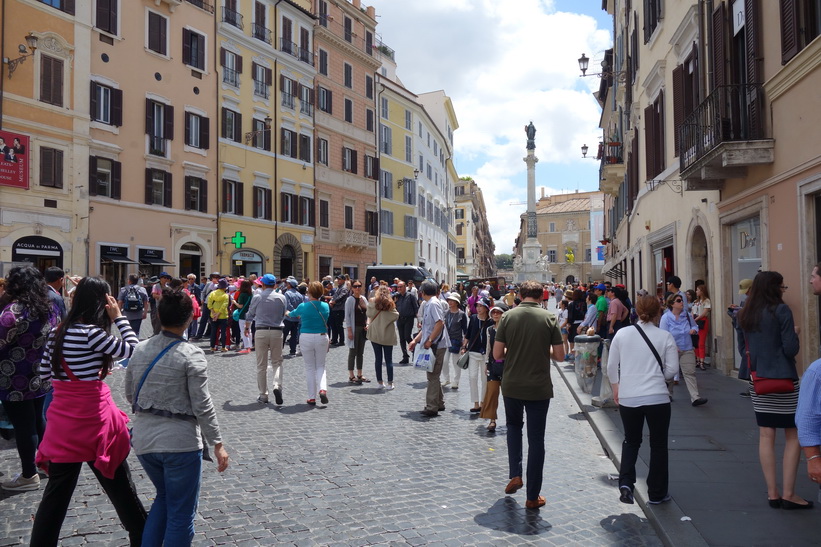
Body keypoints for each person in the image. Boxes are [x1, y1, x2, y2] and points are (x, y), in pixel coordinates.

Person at [32, 277, 147, 546]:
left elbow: (45, 373)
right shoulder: (92, 334)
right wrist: (119, 318)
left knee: (55, 497)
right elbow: (133, 349)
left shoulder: (57, 331)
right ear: (102, 303)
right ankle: (141, 536)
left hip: (63, 424)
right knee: (120, 489)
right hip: (95, 423)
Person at [124, 288, 229, 546]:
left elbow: (129, 393)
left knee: (163, 498)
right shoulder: (191, 354)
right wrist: (217, 443)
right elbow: (202, 404)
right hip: (180, 444)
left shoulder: (140, 349)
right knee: (181, 514)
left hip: (144, 441)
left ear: (158, 314)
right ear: (190, 319)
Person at [736, 271, 811, 509]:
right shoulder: (781, 311)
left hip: (759, 380)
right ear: (774, 288)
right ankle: (789, 493)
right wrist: (795, 333)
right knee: (793, 435)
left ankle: (772, 493)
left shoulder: (744, 314)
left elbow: (742, 350)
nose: (783, 290)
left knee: (766, 435)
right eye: (782, 286)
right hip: (785, 380)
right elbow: (790, 349)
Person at [492, 280, 563, 510]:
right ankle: (533, 496)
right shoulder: (549, 318)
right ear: (542, 296)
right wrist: (544, 349)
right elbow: (561, 356)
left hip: (512, 384)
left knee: (513, 427)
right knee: (536, 439)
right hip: (538, 386)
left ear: (520, 295)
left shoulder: (508, 317)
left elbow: (497, 354)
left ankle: (515, 474)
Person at [607, 295, 680, 506]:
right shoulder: (665, 336)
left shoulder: (622, 334)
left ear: (635, 312)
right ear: (659, 312)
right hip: (657, 397)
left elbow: (612, 367)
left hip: (629, 396)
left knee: (631, 441)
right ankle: (657, 493)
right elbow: (672, 371)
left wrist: (616, 387)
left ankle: (626, 484)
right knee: (658, 444)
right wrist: (659, 377)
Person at [0, 266, 58, 492]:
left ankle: (28, 474)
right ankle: (48, 463)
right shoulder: (49, 309)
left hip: (13, 377)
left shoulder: (13, 312)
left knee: (24, 426)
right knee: (37, 420)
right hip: (40, 374)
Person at [245, 274, 286, 405]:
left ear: (262, 284)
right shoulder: (281, 297)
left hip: (261, 331)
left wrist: (247, 327)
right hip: (277, 331)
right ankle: (276, 386)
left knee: (261, 365)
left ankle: (263, 395)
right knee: (277, 362)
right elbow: (283, 313)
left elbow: (250, 314)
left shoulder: (257, 297)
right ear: (274, 285)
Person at [659, 294, 708, 407]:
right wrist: (672, 346)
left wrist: (693, 330)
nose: (682, 302)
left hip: (687, 348)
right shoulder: (666, 318)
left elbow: (695, 326)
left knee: (690, 372)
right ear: (672, 304)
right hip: (671, 350)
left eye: (681, 300)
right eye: (679, 301)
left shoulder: (686, 315)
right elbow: (663, 335)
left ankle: (695, 397)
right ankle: (668, 394)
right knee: (670, 374)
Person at [408, 280, 447, 417]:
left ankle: (432, 406)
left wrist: (430, 340)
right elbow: (426, 328)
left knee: (432, 375)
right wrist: (415, 340)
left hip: (436, 344)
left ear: (422, 292)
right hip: (434, 344)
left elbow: (439, 323)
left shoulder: (433, 304)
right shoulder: (430, 303)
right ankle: (439, 403)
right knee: (433, 374)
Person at [288, 281, 331, 405]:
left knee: (309, 367)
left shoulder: (303, 306)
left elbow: (292, 314)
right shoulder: (326, 306)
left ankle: (312, 397)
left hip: (306, 336)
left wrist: (287, 313)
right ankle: (322, 389)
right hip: (322, 336)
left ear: (309, 292)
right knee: (321, 366)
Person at [462, 297, 493, 413]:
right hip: (474, 352)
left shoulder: (491, 321)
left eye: (481, 306)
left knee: (485, 379)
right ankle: (475, 403)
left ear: (486, 308)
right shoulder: (473, 318)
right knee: (472, 377)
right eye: (477, 306)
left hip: (486, 354)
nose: (479, 308)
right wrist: (464, 347)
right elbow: (468, 334)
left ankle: (483, 402)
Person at [480, 302, 508, 431]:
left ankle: (511, 419)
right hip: (493, 366)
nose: (496, 314)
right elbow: (488, 348)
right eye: (494, 312)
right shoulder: (489, 329)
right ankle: (492, 420)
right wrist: (486, 363)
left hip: (507, 367)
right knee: (491, 393)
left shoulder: (509, 329)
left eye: (499, 312)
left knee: (509, 395)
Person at [367, 286, 400, 390]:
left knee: (378, 359)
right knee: (388, 360)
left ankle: (380, 382)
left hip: (375, 334)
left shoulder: (373, 302)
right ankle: (390, 383)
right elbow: (396, 315)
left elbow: (368, 314)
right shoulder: (390, 304)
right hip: (388, 335)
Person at [345, 280, 370, 383]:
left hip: (363, 329)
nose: (357, 288)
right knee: (353, 352)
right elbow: (347, 316)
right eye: (355, 286)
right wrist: (349, 331)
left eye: (359, 286)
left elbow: (368, 313)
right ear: (352, 288)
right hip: (354, 328)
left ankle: (360, 374)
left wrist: (368, 323)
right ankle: (351, 375)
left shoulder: (363, 298)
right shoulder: (350, 300)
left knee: (361, 352)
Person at [442, 294, 467, 389]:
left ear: (457, 302)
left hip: (456, 340)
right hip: (445, 339)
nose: (450, 302)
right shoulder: (445, 313)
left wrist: (464, 344)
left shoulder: (461, 314)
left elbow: (465, 330)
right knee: (444, 360)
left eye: (452, 301)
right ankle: (446, 378)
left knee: (456, 362)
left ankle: (456, 381)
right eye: (449, 300)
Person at [117, 273, 149, 338]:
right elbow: (146, 302)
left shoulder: (123, 289)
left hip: (126, 314)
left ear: (129, 281)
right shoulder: (142, 289)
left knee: (126, 332)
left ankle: (127, 344)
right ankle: (135, 345)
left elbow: (120, 302)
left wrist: (119, 313)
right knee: (136, 332)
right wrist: (145, 313)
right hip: (138, 314)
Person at [395, 281, 419, 364]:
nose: (399, 288)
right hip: (399, 319)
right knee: (401, 338)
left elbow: (416, 308)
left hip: (409, 318)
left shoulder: (411, 296)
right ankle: (405, 356)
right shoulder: (397, 297)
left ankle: (415, 351)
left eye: (401, 287)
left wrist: (419, 320)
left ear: (405, 287)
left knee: (407, 336)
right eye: (398, 287)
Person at [206, 279, 230, 352]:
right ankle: (223, 347)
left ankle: (212, 347)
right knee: (223, 332)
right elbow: (224, 306)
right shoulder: (225, 295)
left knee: (213, 331)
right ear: (225, 287)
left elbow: (209, 303)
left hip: (213, 315)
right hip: (222, 315)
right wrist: (218, 314)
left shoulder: (212, 293)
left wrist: (213, 313)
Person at [194, 273, 220, 340]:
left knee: (213, 320)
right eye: (214, 277)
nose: (215, 279)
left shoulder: (220, 285)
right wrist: (202, 299)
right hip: (207, 303)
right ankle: (199, 334)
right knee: (203, 319)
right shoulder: (209, 284)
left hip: (215, 304)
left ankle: (211, 335)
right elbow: (203, 292)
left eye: (217, 277)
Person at [282, 278, 304, 356]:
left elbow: (288, 305)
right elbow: (302, 305)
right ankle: (292, 351)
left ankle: (279, 350)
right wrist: (298, 313)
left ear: (290, 285)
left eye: (287, 284)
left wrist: (294, 312)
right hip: (297, 319)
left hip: (289, 317)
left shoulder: (287, 293)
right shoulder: (299, 295)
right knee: (294, 335)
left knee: (283, 334)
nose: (286, 285)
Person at [692, 284, 712, 369]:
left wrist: (696, 319)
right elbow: (693, 311)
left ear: (702, 291)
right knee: (696, 342)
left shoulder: (706, 301)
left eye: (698, 290)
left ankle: (702, 361)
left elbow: (705, 312)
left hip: (702, 321)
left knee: (701, 342)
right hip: (695, 321)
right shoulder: (696, 301)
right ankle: (697, 359)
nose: (696, 291)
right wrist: (692, 319)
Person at [234, 279, 254, 354]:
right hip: (250, 314)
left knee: (243, 331)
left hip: (242, 315)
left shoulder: (242, 294)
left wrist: (234, 302)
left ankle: (246, 347)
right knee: (249, 330)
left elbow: (240, 305)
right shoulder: (251, 294)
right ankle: (250, 345)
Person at [329, 275, 350, 346]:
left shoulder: (344, 288)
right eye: (338, 280)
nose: (338, 281)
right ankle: (334, 339)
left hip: (340, 308)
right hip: (335, 308)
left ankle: (341, 341)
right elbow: (334, 296)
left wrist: (334, 301)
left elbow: (342, 296)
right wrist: (331, 301)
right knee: (334, 325)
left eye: (340, 280)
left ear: (344, 280)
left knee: (339, 325)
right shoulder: (338, 287)